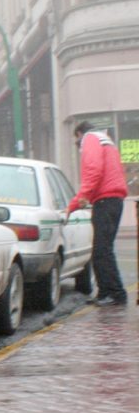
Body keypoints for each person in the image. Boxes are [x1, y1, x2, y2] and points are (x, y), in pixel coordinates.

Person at [67, 121, 128, 307]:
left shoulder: (90, 139)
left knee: (102, 250)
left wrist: (76, 203)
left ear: (80, 133)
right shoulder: (105, 140)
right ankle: (107, 292)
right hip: (113, 199)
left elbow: (93, 171)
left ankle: (114, 294)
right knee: (104, 249)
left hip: (105, 200)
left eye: (76, 138)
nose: (77, 143)